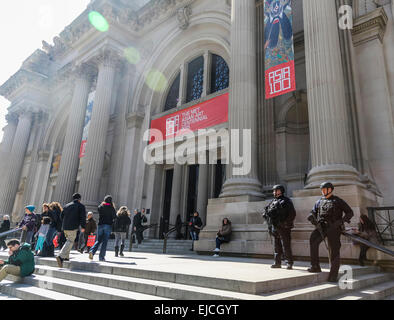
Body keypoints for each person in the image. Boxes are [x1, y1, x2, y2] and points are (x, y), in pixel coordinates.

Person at [307, 182, 354, 283]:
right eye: (322, 189)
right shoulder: (319, 201)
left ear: (330, 190)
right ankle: (315, 266)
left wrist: (340, 222)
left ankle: (333, 275)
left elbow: (350, 212)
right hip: (321, 227)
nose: (323, 191)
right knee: (313, 240)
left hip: (334, 228)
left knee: (334, 250)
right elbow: (312, 212)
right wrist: (312, 218)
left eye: (325, 189)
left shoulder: (338, 200)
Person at [263, 185, 296, 269]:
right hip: (274, 226)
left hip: (283, 227)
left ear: (281, 191)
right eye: (274, 191)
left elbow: (292, 214)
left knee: (286, 245)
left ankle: (289, 262)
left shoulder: (286, 200)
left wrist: (285, 223)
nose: (274, 192)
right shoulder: (272, 201)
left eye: (276, 190)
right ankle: (277, 262)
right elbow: (268, 213)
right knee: (276, 245)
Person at [56, 193, 86, 268]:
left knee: (68, 240)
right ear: (79, 199)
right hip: (73, 226)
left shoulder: (67, 205)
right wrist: (83, 226)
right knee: (70, 241)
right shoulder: (81, 206)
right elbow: (83, 217)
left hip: (65, 227)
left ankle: (66, 257)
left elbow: (61, 216)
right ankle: (61, 256)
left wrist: (65, 223)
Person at [89, 195, 116, 262]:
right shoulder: (112, 208)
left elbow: (99, 209)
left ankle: (92, 251)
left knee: (98, 240)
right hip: (108, 225)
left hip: (100, 225)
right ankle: (101, 257)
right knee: (105, 242)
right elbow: (115, 217)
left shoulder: (100, 207)